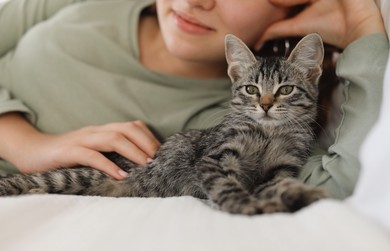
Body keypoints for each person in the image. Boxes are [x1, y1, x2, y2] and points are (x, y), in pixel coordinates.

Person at [0, 0, 387, 199]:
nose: (195, 0)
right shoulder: (101, 3)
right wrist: (24, 143)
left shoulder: (234, 125)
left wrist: (361, 28)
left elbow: (347, 180)